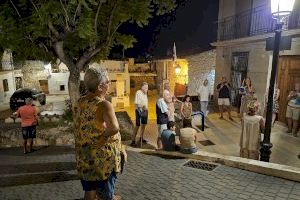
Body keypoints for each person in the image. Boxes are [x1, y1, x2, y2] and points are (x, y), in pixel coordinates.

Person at [75, 68, 126, 200]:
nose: (109, 84)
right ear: (99, 86)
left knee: (90, 191)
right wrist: (103, 138)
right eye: (107, 82)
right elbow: (114, 128)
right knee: (106, 194)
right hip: (102, 161)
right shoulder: (104, 105)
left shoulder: (80, 102)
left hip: (85, 157)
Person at [131, 82, 148, 147]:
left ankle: (141, 137)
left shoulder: (145, 93)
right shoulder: (138, 92)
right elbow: (136, 104)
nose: (147, 89)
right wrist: (140, 111)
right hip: (139, 110)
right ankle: (133, 140)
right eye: (146, 87)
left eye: (147, 88)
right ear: (142, 87)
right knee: (137, 125)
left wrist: (145, 109)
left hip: (145, 110)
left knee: (144, 124)